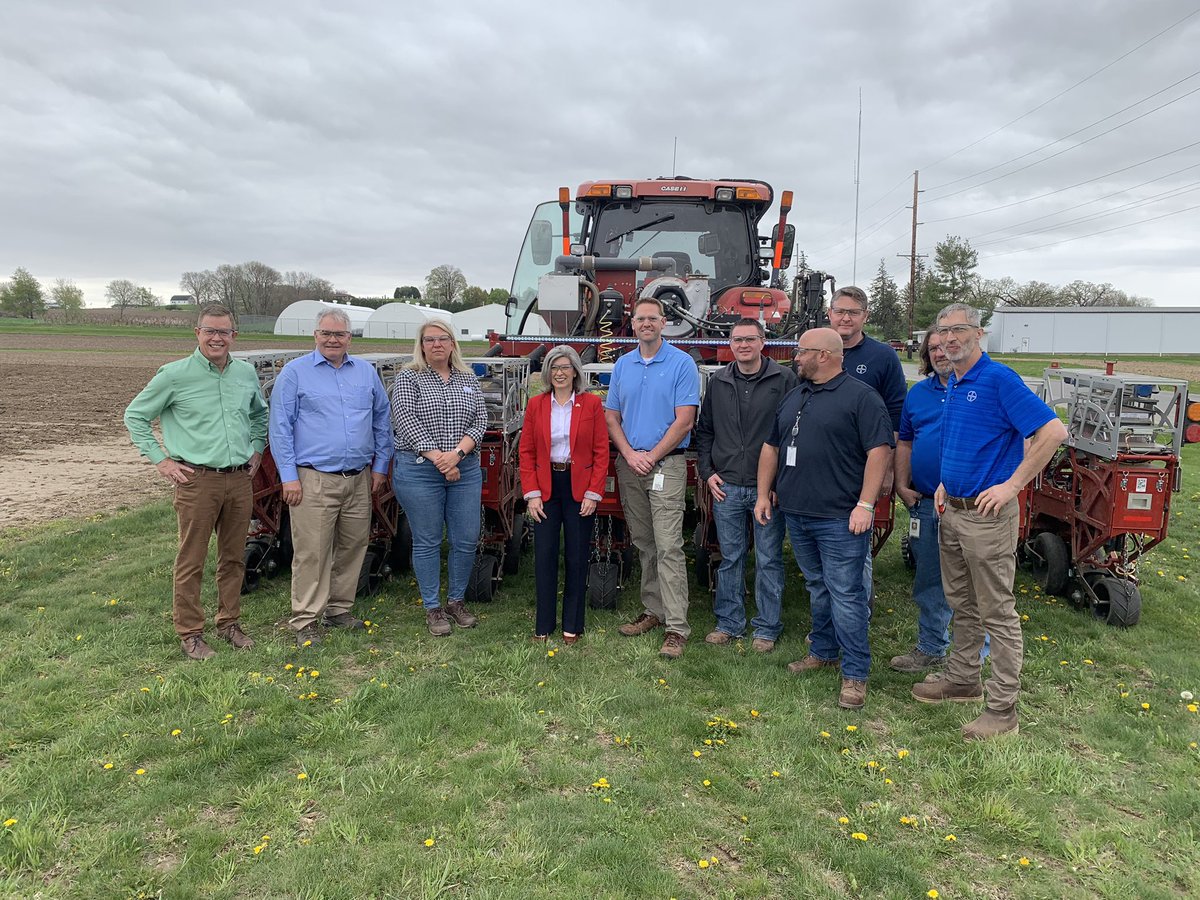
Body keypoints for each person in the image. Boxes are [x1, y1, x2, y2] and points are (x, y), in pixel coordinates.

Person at [912, 303, 1066, 741]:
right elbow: (969, 443)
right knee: (962, 603)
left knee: (997, 612)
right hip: (953, 510)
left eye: (958, 330)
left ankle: (1002, 711)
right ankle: (962, 680)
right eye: (942, 332)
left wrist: (1011, 485)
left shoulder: (998, 379)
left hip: (987, 517)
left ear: (980, 334)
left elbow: (1053, 432)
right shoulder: (956, 383)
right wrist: (945, 482)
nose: (948, 339)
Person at [754, 328, 893, 710]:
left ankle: (855, 674)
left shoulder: (861, 398)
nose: (796, 357)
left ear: (825, 355)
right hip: (797, 513)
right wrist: (764, 494)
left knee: (846, 594)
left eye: (802, 352)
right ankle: (824, 650)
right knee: (818, 585)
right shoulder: (796, 394)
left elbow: (879, 452)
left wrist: (865, 505)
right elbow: (771, 446)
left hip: (840, 517)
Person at [124, 304, 268, 660]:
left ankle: (229, 623)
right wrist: (161, 460)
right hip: (196, 480)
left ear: (234, 335)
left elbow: (258, 414)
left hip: (238, 479)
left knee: (233, 558)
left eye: (224, 332)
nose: (217, 338)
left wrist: (257, 448)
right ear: (197, 333)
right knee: (192, 559)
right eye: (210, 331)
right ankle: (190, 632)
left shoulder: (245, 374)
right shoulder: (174, 375)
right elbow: (135, 415)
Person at [268, 309, 393, 647]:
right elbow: (279, 428)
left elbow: (383, 420)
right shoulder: (295, 374)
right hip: (314, 478)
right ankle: (305, 618)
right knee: (313, 550)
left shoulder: (366, 373)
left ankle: (338, 609)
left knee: (353, 545)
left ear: (349, 338)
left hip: (358, 477)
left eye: (339, 334)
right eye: (326, 333)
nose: (332, 339)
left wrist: (380, 467)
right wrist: (288, 477)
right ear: (315, 335)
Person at [605, 297, 701, 659]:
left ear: (664, 323)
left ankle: (677, 627)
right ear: (632, 324)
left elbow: (684, 421)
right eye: (640, 318)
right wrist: (630, 455)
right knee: (644, 543)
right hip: (630, 465)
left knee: (669, 546)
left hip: (666, 466)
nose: (646, 323)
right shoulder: (623, 365)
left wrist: (651, 456)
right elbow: (612, 416)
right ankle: (653, 611)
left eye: (653, 318)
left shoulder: (681, 363)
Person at [695, 318, 798, 653]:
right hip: (726, 486)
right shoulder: (719, 380)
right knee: (731, 557)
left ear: (763, 341)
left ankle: (767, 628)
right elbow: (705, 429)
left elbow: (795, 433)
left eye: (749, 339)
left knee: (769, 558)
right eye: (737, 340)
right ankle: (729, 623)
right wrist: (707, 471)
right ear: (730, 343)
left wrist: (780, 482)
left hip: (765, 488)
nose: (743, 345)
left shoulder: (784, 380)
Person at [390, 318, 488, 637]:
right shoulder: (409, 377)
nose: (436, 345)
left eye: (442, 339)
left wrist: (456, 455)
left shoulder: (467, 377)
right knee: (428, 539)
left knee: (465, 537)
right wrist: (439, 458)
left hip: (465, 468)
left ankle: (456, 601)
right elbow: (405, 420)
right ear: (421, 345)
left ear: (452, 344)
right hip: (420, 469)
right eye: (429, 340)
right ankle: (432, 607)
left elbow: (481, 419)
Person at [519, 346, 609, 643]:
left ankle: (572, 625)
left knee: (577, 556)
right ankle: (543, 626)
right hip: (545, 487)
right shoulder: (536, 405)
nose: (559, 372)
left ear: (575, 371)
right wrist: (532, 494)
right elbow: (527, 451)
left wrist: (594, 493)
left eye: (565, 367)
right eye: (554, 367)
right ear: (547, 373)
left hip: (579, 487)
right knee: (544, 556)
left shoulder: (591, 405)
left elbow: (601, 451)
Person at [827, 285, 907, 600]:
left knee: (857, 539)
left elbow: (897, 416)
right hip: (823, 465)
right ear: (829, 314)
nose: (845, 318)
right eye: (840, 311)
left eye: (853, 312)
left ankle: (857, 610)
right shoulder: (814, 349)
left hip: (864, 466)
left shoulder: (882, 357)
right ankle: (827, 615)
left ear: (865, 316)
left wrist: (888, 470)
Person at [891, 329, 954, 672]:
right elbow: (905, 442)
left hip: (971, 504)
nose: (940, 353)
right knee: (930, 579)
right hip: (927, 501)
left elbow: (1027, 437)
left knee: (974, 582)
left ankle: (971, 656)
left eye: (946, 347)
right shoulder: (918, 395)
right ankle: (931, 646)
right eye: (933, 349)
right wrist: (902, 483)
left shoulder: (981, 388)